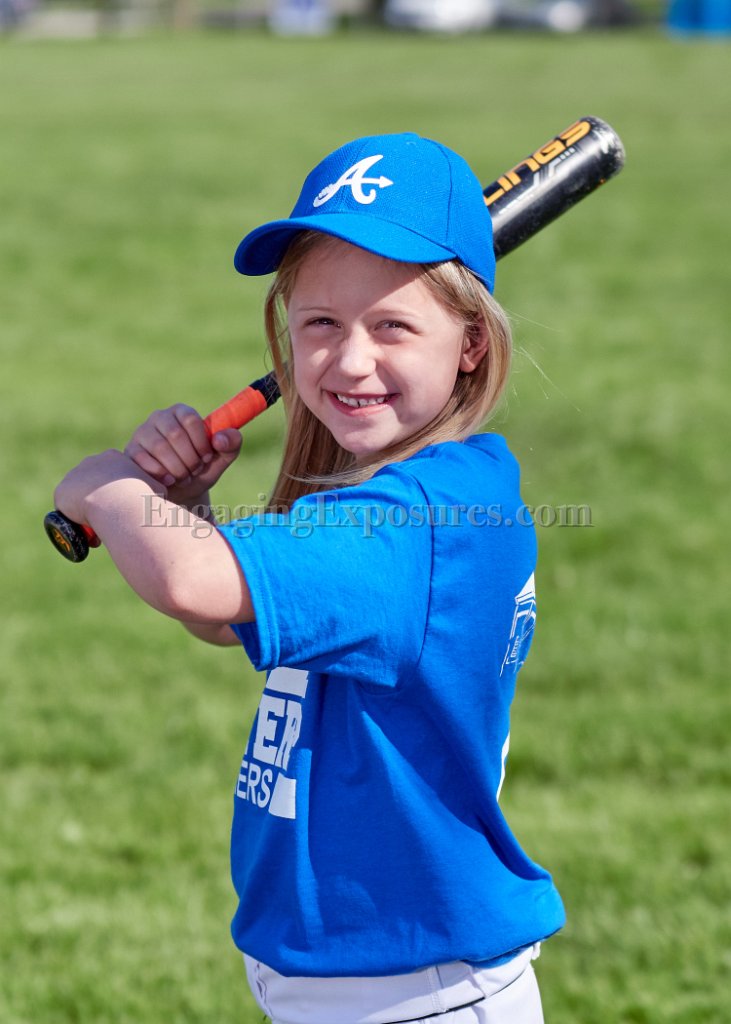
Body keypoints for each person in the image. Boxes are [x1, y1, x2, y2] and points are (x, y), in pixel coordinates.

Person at [54, 132, 566, 1024]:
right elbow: (226, 616)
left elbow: (194, 585)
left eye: (393, 325)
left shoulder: (415, 522)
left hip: (412, 991)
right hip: (368, 982)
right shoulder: (415, 493)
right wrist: (185, 508)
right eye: (321, 323)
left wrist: (107, 487)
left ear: (471, 343)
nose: (351, 359)